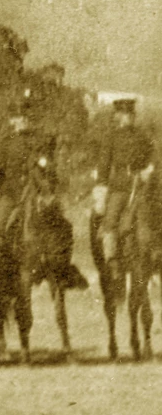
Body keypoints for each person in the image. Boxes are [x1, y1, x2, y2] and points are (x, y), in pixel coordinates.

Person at [92, 97, 154, 290]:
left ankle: (153, 261)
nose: (128, 118)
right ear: (118, 116)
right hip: (119, 187)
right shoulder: (111, 137)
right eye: (125, 114)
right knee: (110, 221)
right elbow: (104, 165)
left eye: (130, 114)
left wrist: (148, 169)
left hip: (139, 185)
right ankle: (112, 260)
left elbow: (151, 155)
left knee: (151, 219)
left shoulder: (142, 136)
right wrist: (102, 188)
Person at [0, 99, 52, 244]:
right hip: (11, 192)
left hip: (34, 191)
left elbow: (48, 167)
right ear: (12, 120)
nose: (22, 121)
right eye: (18, 117)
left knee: (39, 230)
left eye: (24, 117)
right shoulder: (6, 142)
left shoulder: (40, 140)